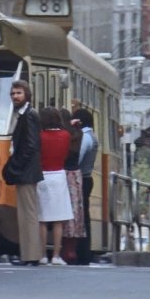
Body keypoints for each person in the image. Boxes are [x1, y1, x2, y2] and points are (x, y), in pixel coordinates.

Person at [2, 81, 44, 266]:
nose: (15, 96)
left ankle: (31, 255)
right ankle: (28, 255)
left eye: (18, 93)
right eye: (12, 93)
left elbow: (31, 145)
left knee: (28, 214)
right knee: (26, 214)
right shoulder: (24, 114)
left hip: (26, 171)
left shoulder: (29, 115)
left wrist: (15, 165)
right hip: (27, 171)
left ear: (27, 94)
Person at [36, 107, 74, 265]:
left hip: (42, 176)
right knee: (58, 220)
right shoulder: (66, 135)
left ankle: (43, 254)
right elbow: (66, 155)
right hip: (59, 175)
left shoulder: (40, 136)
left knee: (42, 219)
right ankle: (56, 256)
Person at [59, 109, 85, 264]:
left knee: (60, 212)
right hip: (75, 175)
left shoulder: (61, 136)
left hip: (62, 174)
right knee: (75, 212)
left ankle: (62, 249)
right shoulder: (77, 135)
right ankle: (71, 249)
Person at [72, 108, 97, 265]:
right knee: (84, 216)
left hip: (82, 178)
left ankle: (81, 253)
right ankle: (83, 252)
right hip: (87, 178)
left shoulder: (86, 138)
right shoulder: (91, 136)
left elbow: (77, 158)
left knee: (81, 217)